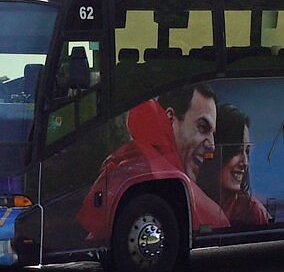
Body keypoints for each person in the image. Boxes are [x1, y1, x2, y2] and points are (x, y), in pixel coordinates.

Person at [76, 83, 229, 241]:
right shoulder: (144, 166)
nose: (212, 146)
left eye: (213, 134)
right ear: (170, 118)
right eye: (202, 127)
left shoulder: (139, 158)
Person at [198, 103, 270, 227]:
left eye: (247, 151)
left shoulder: (253, 212)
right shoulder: (194, 201)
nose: (245, 163)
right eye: (237, 151)